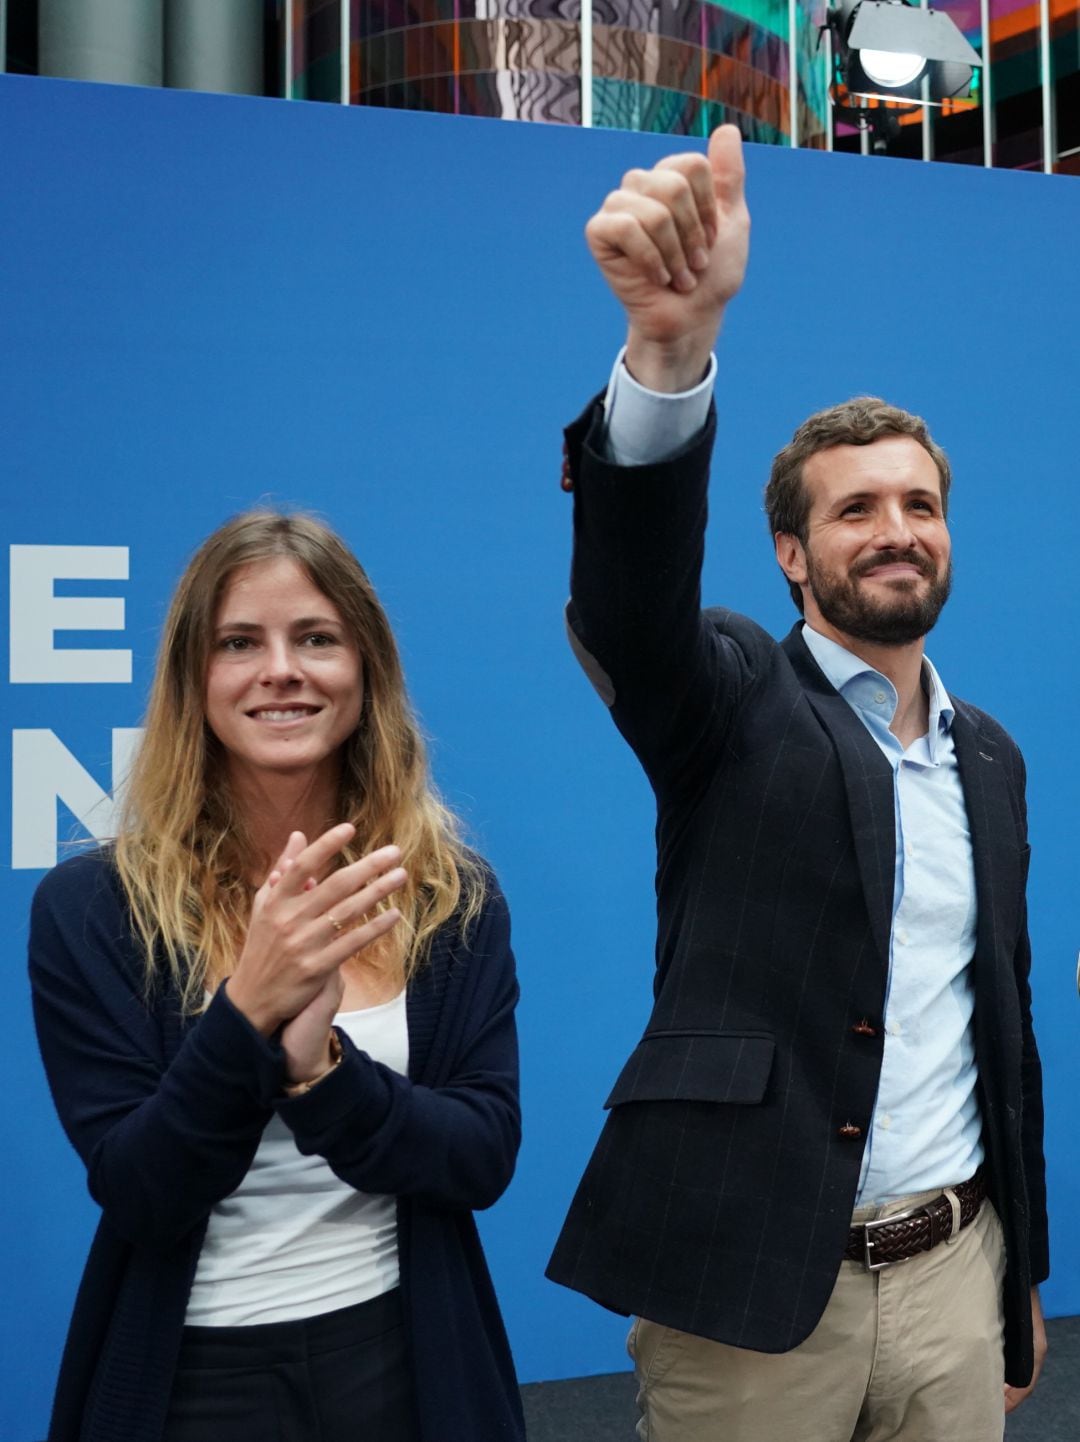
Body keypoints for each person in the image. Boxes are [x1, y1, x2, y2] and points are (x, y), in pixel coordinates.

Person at [546, 127, 1048, 1441]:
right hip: (752, 1296)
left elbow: (1004, 1021)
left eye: (920, 504)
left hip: (954, 1278)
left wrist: (1021, 1275)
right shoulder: (726, 698)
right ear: (789, 551)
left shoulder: (989, 754)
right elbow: (629, 605)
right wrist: (667, 354)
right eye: (855, 509)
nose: (896, 531)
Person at [30, 511, 524, 1442]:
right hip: (193, 1378)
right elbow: (140, 1187)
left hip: (403, 1360)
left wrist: (323, 1075)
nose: (282, 670)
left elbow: (481, 1155)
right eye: (239, 643)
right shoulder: (91, 907)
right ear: (194, 679)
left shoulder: (448, 897)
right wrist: (247, 1013)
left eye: (317, 639)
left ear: (365, 669)